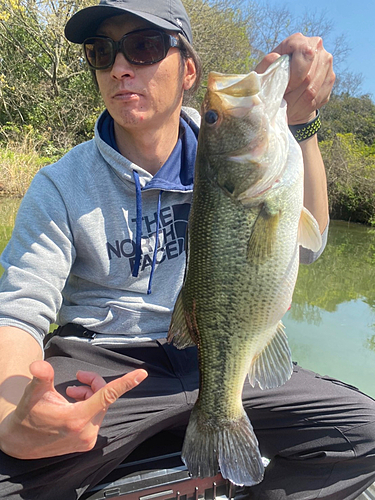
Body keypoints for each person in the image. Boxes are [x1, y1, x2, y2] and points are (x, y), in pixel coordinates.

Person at [0, 0, 374, 498]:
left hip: (219, 349)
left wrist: (300, 123)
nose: (120, 67)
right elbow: (18, 313)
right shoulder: (60, 185)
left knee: (365, 436)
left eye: (144, 46)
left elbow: (306, 247)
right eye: (101, 52)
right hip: (106, 365)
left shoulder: (227, 150)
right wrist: (12, 414)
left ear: (189, 72)